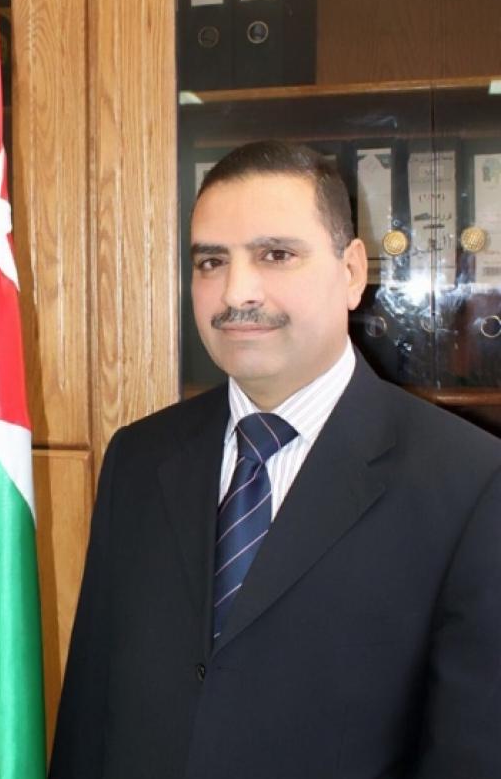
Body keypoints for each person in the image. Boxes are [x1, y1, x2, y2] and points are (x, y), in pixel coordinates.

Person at [49, 141, 501, 779]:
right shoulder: (139, 458)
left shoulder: (471, 484)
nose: (236, 291)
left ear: (351, 272)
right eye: (211, 261)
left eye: (276, 255)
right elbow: (89, 716)